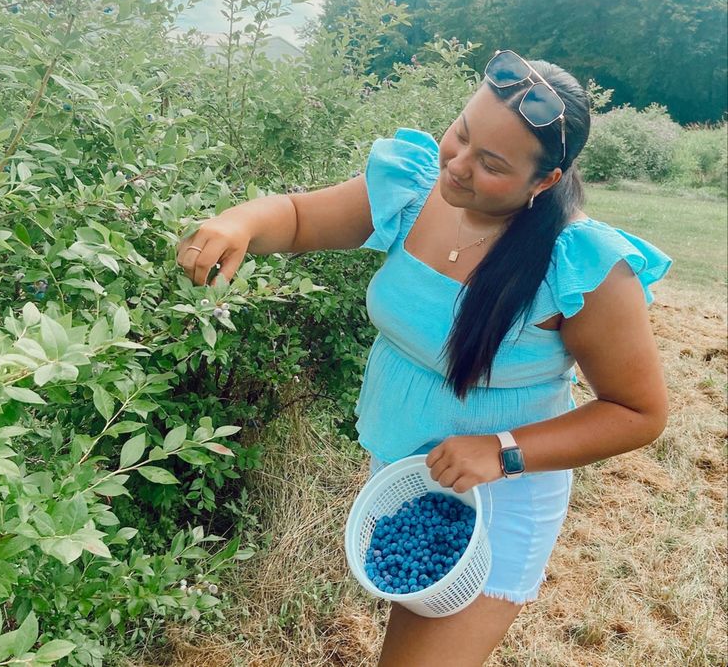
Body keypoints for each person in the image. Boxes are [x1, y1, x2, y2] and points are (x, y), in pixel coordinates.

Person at [176, 50, 672, 667]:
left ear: (543, 182)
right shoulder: (413, 187)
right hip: (406, 475)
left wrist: (501, 450)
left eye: (490, 164)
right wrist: (240, 222)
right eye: (461, 134)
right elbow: (301, 218)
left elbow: (638, 412)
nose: (458, 167)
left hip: (502, 493)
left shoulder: (583, 267)